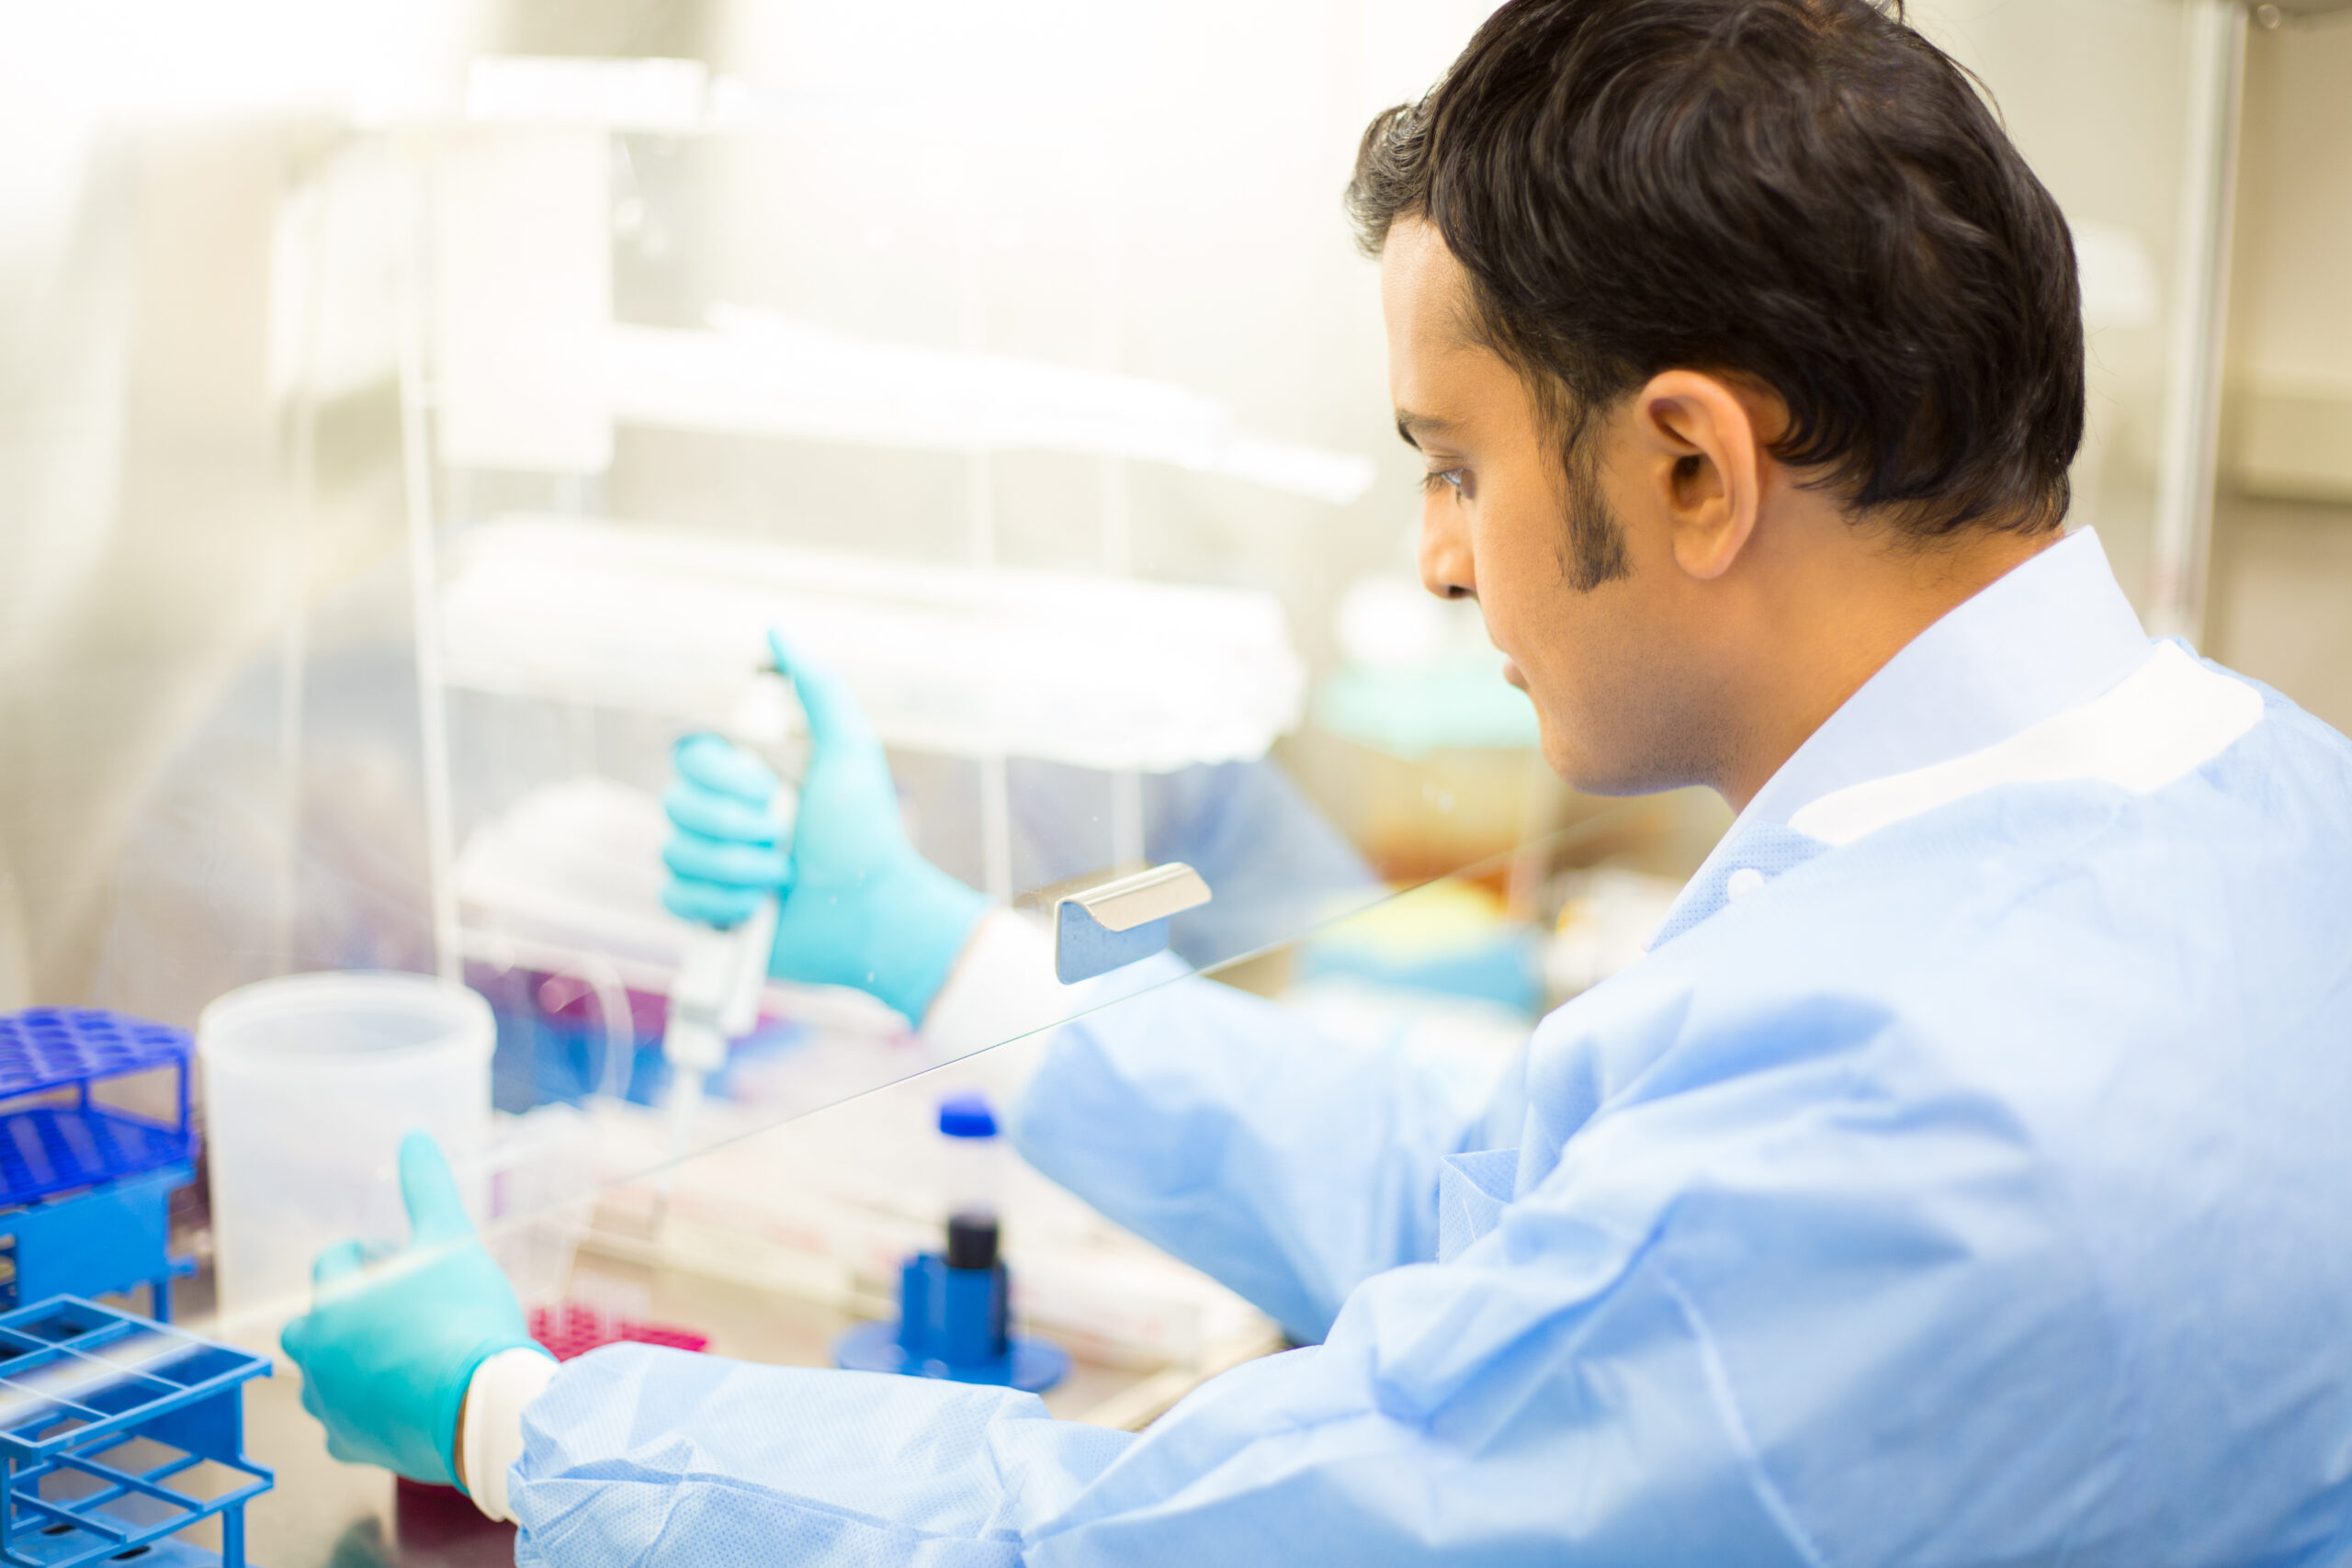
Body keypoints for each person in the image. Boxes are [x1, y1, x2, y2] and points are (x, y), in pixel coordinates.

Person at [279, 1, 2352, 1561]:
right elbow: (1502, 1209)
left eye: (1453, 463)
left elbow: (1208, 1535)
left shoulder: (1903, 1093)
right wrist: (932, 947)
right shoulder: (2258, 798)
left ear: (1693, 466)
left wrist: (521, 1426)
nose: (1440, 554)